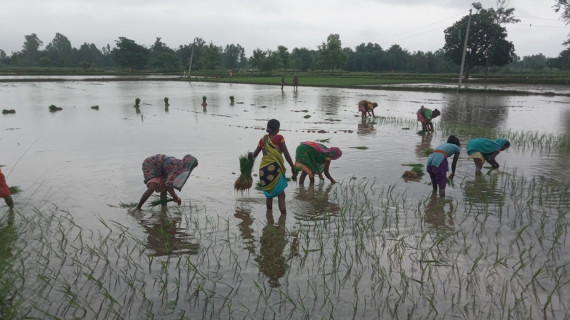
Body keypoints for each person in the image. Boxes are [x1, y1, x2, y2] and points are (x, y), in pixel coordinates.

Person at [249, 119, 296, 215]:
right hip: (275, 170)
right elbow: (286, 154)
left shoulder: (263, 140)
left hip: (263, 171)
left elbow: (254, 155)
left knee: (269, 195)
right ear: (277, 129)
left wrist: (249, 155)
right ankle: (283, 219)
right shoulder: (279, 138)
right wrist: (292, 166)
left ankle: (269, 218)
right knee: (281, 195)